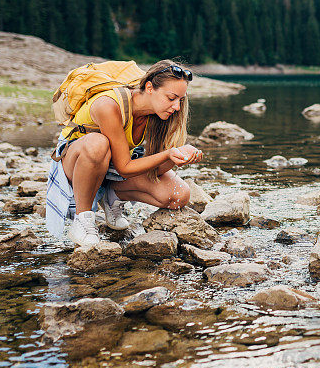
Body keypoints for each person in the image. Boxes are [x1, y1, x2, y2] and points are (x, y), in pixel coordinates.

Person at [45, 60, 203, 247]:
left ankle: (112, 196)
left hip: (112, 167)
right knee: (98, 143)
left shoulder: (158, 114)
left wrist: (176, 157)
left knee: (179, 195)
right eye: (171, 98)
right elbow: (125, 168)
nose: (176, 107)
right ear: (150, 88)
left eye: (180, 100)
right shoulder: (108, 104)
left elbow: (154, 168)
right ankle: (83, 219)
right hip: (77, 163)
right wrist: (168, 154)